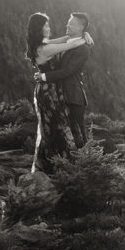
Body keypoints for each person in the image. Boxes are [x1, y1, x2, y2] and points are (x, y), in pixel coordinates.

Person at [26, 11, 93, 174]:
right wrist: (84, 37)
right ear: (39, 29)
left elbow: (66, 40)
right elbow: (69, 45)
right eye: (46, 25)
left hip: (57, 91)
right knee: (55, 129)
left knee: (56, 128)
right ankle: (58, 166)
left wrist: (85, 34)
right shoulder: (45, 47)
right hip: (48, 92)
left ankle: (65, 165)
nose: (49, 28)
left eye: (71, 23)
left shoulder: (43, 43)